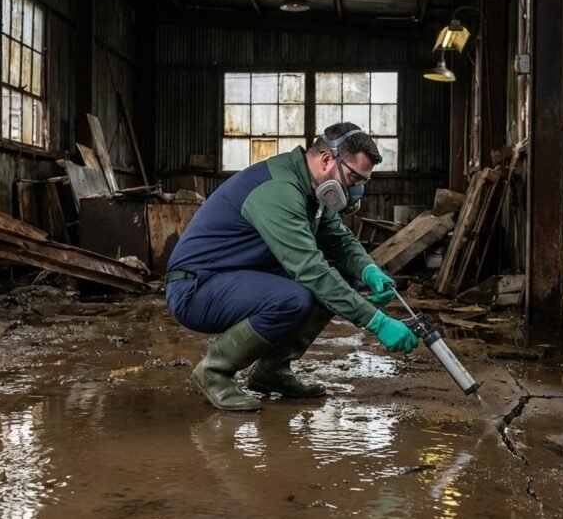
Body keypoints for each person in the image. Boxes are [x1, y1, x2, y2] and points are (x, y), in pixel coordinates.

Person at [165, 122, 419, 411]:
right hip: (196, 288)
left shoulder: (312, 189)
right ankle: (214, 372)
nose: (355, 191)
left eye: (363, 182)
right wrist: (377, 322)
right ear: (326, 160)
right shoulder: (280, 190)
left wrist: (368, 270)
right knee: (293, 299)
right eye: (354, 178)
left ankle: (272, 371)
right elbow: (310, 269)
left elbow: (340, 241)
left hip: (238, 276)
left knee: (344, 272)